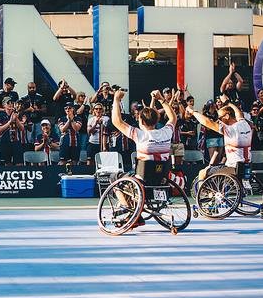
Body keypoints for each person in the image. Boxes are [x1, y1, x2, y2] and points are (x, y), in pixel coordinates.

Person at [111, 89, 176, 229]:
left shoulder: (139, 135)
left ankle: (129, 210)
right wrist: (161, 99)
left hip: (142, 181)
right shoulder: (166, 132)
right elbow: (173, 118)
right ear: (157, 120)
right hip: (161, 179)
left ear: (140, 120)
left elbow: (117, 121)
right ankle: (135, 214)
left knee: (114, 177)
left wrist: (116, 100)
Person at [187, 97, 252, 181]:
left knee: (202, 172)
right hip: (247, 166)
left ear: (227, 116)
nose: (218, 120)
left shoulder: (230, 130)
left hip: (233, 168)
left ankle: (207, 194)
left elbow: (207, 122)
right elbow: (238, 113)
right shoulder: (244, 124)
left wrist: (193, 112)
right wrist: (228, 102)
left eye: (220, 118)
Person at [0, 97, 24, 166]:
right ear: (4, 105)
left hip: (16, 141)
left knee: (19, 163)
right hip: (5, 141)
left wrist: (16, 119)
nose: (10, 104)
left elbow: (22, 129)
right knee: (7, 163)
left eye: (12, 103)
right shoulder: (0, 115)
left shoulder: (16, 114)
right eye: (8, 103)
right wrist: (10, 122)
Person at [86, 103, 109, 167]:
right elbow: (89, 132)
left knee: (104, 161)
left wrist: (103, 124)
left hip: (103, 143)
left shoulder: (106, 118)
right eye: (96, 109)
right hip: (93, 142)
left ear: (102, 110)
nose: (98, 110)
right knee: (90, 161)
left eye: (100, 109)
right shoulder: (91, 119)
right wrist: (95, 124)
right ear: (94, 110)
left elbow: (108, 131)